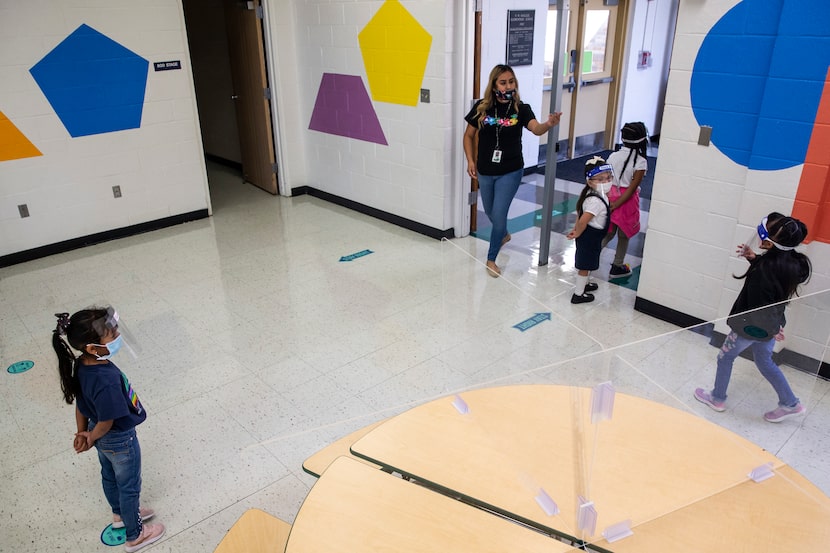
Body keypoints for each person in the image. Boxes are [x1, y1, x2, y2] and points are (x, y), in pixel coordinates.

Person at [52, 307, 165, 552]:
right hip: (119, 439)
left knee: (109, 476)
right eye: (111, 335)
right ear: (92, 347)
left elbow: (81, 405)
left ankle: (120, 517)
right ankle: (136, 535)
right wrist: (91, 436)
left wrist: (83, 432)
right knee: (129, 486)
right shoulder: (105, 380)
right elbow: (108, 421)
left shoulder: (83, 365)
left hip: (101, 438)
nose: (116, 335)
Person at [695, 213, 812, 422]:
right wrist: (754, 259)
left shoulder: (765, 271)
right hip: (769, 325)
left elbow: (760, 306)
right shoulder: (789, 263)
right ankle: (790, 403)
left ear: (769, 240)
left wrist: (772, 329)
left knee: (725, 357)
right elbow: (771, 278)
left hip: (751, 327)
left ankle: (717, 398)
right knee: (764, 360)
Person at [463, 64, 562, 277]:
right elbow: (468, 135)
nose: (508, 86)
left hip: (511, 170)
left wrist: (548, 124)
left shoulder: (521, 109)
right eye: (503, 82)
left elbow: (536, 129)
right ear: (494, 85)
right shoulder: (482, 107)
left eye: (511, 81)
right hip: (485, 170)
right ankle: (504, 234)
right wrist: (470, 160)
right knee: (490, 211)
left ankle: (491, 259)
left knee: (498, 215)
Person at [602, 122, 648, 278]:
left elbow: (606, 179)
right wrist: (618, 204)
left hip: (610, 196)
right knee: (624, 235)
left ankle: (589, 259)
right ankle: (617, 265)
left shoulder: (613, 156)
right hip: (626, 202)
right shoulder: (640, 161)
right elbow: (632, 188)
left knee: (608, 233)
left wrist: (610, 202)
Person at [566, 157, 612, 304]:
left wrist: (576, 228)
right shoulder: (595, 201)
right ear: (590, 181)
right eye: (600, 179)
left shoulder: (593, 194)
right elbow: (584, 220)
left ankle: (585, 283)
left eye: (608, 178)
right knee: (585, 266)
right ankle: (578, 294)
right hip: (589, 236)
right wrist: (577, 232)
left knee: (590, 262)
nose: (606, 182)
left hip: (592, 236)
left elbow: (580, 212)